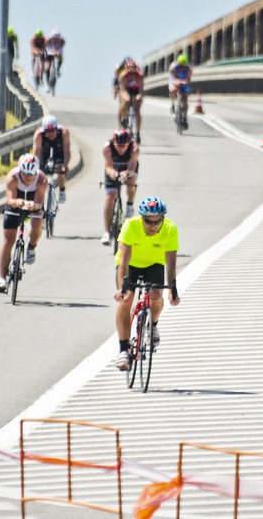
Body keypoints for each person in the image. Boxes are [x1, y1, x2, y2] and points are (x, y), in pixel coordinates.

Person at [113, 197, 180, 370]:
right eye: (148, 221)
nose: (153, 226)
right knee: (126, 299)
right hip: (130, 265)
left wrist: (173, 289)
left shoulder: (170, 229)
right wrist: (121, 288)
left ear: (163, 219)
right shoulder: (130, 226)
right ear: (142, 218)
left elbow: (171, 263)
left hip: (154, 264)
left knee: (155, 296)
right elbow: (123, 261)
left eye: (157, 221)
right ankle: (123, 350)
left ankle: (153, 325)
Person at [0, 154, 47, 293]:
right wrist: (17, 202)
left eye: (31, 174)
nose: (28, 177)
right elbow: (10, 199)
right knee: (8, 240)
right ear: (20, 171)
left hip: (33, 202)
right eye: (25, 174)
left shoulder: (41, 179)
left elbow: (39, 202)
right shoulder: (12, 177)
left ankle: (31, 246)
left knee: (37, 224)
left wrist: (34, 205)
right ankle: (2, 278)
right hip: (15, 203)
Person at [101, 129, 140, 245]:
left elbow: (132, 167)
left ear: (128, 143)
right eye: (119, 145)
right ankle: (106, 232)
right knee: (110, 197)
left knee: (131, 184)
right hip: (113, 168)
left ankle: (130, 205)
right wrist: (112, 173)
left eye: (124, 145)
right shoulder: (107, 147)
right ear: (114, 143)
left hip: (128, 168)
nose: (122, 148)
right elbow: (108, 166)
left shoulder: (134, 148)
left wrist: (127, 173)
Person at [32, 114, 71, 203]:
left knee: (60, 169)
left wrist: (65, 165)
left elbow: (67, 150)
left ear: (56, 129)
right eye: (48, 131)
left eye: (53, 130)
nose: (51, 133)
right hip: (44, 152)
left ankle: (62, 190)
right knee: (39, 173)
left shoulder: (64, 132)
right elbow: (36, 152)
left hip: (59, 151)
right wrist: (37, 167)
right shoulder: (39, 134)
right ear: (44, 130)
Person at [117, 58, 144, 143]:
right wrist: (126, 98)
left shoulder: (140, 76)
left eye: (134, 71)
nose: (132, 74)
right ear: (127, 69)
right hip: (126, 90)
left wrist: (139, 96)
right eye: (130, 71)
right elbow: (122, 90)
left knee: (137, 110)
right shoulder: (123, 76)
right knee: (125, 101)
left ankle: (138, 133)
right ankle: (123, 119)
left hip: (135, 90)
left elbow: (141, 90)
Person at [168, 53, 193, 129]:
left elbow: (188, 79)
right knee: (172, 90)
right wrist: (177, 82)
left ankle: (185, 117)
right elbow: (172, 78)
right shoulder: (173, 67)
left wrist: (185, 82)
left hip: (184, 82)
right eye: (180, 66)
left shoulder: (188, 69)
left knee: (185, 98)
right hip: (175, 81)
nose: (182, 67)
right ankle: (172, 105)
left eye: (183, 66)